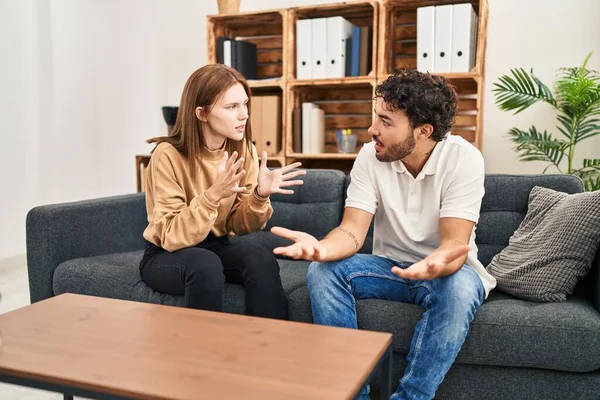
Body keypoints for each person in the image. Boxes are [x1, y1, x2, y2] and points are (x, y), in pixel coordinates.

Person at [271, 70, 497, 399]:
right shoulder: (370, 156)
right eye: (375, 117)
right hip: (388, 267)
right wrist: (321, 249)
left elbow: (453, 243)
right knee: (323, 272)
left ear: (423, 131)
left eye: (386, 121)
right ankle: (353, 393)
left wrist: (434, 264)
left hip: (444, 272)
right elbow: (351, 231)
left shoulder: (464, 159)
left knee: (461, 287)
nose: (371, 129)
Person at [140, 64, 305, 320]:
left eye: (245, 104)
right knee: (205, 265)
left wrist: (260, 195)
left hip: (215, 245)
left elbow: (239, 226)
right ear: (202, 113)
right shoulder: (168, 155)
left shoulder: (243, 150)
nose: (244, 115)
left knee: (259, 259)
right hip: (166, 253)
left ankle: (270, 350)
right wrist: (212, 196)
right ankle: (205, 356)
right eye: (231, 107)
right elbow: (171, 236)